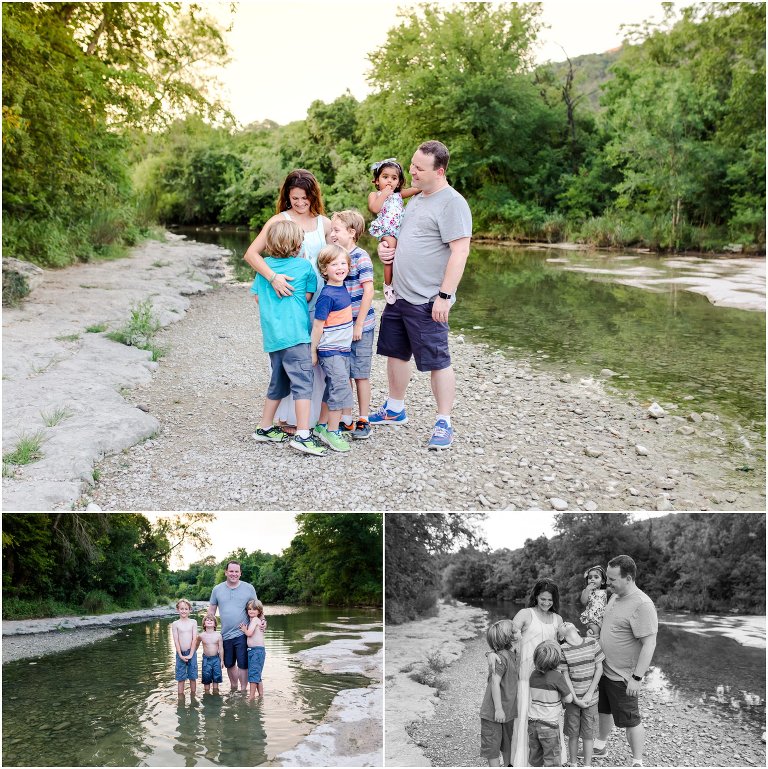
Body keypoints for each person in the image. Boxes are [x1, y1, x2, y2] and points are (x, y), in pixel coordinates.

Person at [371, 140, 472, 450]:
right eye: (412, 165)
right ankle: (395, 408)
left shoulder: (452, 203)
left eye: (418, 168)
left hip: (427, 299)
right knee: (396, 352)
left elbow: (460, 251)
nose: (410, 171)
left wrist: (445, 295)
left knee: (437, 360)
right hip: (399, 295)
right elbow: (406, 239)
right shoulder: (416, 200)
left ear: (439, 171)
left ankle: (444, 421)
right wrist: (387, 251)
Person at [243, 169, 331, 429]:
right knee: (293, 359)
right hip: (290, 301)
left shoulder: (323, 223)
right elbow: (251, 254)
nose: (301, 203)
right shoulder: (278, 221)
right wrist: (273, 278)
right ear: (287, 197)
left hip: (318, 299)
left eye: (305, 198)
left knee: (314, 360)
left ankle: (314, 418)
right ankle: (289, 419)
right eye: (295, 198)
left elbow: (340, 251)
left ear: (313, 196)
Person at [250, 219, 326, 456]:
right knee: (303, 383)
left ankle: (264, 427)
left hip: (274, 338)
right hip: (296, 336)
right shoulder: (304, 267)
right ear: (297, 244)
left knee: (279, 381)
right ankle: (303, 434)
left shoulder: (265, 270)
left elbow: (257, 298)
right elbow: (309, 296)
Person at [489, 579, 564, 767]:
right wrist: (490, 652)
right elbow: (504, 636)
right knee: (524, 715)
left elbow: (563, 646)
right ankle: (521, 759)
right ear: (536, 596)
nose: (546, 603)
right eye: (543, 598)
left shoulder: (558, 619)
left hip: (547, 678)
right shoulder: (525, 614)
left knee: (548, 715)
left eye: (550, 600)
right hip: (524, 676)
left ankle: (549, 755)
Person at [593, 555, 658, 768]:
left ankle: (637, 761)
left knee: (631, 719)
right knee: (604, 709)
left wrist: (637, 678)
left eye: (612, 579)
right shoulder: (615, 596)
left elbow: (649, 644)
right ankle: (601, 745)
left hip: (623, 675)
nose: (607, 583)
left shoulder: (642, 604)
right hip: (603, 668)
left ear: (628, 578)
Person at [329, 210, 375, 440]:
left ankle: (364, 418)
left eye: (336, 230)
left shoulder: (361, 257)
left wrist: (358, 325)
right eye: (331, 230)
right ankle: (346, 418)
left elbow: (368, 290)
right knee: (343, 371)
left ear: (352, 232)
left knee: (360, 373)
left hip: (361, 325)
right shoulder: (336, 257)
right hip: (341, 326)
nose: (332, 234)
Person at [310, 244, 354, 454]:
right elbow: (318, 325)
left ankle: (321, 425)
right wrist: (313, 350)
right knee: (340, 387)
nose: (340, 267)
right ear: (324, 269)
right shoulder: (327, 295)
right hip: (331, 350)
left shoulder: (341, 287)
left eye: (343, 263)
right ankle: (333, 431)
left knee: (332, 386)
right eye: (334, 264)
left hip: (342, 349)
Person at [366, 158, 420, 304]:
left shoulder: (399, 195)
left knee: (404, 254)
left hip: (401, 230)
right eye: (385, 177)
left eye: (394, 178)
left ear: (399, 182)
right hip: (387, 230)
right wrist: (384, 194)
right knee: (390, 252)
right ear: (377, 181)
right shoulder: (375, 195)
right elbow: (375, 208)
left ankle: (403, 283)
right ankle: (388, 285)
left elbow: (417, 189)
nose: (389, 181)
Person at [207, 561, 259, 694]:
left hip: (243, 633)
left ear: (240, 573)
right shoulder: (217, 589)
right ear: (226, 572)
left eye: (236, 571)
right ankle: (234, 687)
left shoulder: (249, 588)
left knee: (243, 664)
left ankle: (243, 691)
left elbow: (257, 608)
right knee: (229, 664)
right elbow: (211, 610)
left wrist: (263, 621)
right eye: (231, 571)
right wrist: (208, 631)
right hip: (225, 635)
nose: (234, 574)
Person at [556, 621, 604, 767]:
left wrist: (589, 694)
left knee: (588, 735)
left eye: (567, 622)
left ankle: (587, 765)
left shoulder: (592, 642)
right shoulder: (563, 649)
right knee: (573, 733)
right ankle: (573, 763)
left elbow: (599, 669)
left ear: (576, 628)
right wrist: (575, 699)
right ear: (560, 636)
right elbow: (565, 676)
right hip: (572, 700)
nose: (565, 623)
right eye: (562, 625)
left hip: (592, 699)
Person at [528, 641, 574, 767]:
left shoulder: (533, 675)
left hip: (532, 723)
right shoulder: (557, 677)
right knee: (552, 759)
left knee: (535, 756)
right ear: (557, 660)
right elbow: (569, 699)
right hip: (549, 725)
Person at [480, 619, 519, 767]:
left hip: (508, 710)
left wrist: (489, 652)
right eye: (516, 630)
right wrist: (498, 709)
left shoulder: (513, 653)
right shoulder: (501, 658)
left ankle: (509, 765)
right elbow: (495, 682)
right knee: (492, 745)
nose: (520, 631)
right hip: (493, 712)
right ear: (511, 637)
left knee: (507, 742)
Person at [239, 599, 267, 700]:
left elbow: (249, 633)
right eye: (249, 609)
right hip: (254, 651)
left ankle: (251, 698)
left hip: (256, 651)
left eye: (254, 609)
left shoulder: (255, 620)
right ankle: (261, 696)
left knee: (253, 675)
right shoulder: (254, 620)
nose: (251, 611)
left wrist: (244, 629)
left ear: (259, 611)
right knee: (257, 675)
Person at [172, 598, 198, 696]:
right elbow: (176, 641)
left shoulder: (193, 622)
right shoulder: (175, 624)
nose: (184, 611)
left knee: (192, 676)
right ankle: (181, 698)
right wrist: (180, 655)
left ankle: (193, 696)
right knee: (180, 677)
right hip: (180, 653)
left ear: (190, 610)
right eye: (181, 609)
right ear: (177, 610)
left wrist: (191, 654)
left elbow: (194, 638)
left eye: (186, 609)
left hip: (191, 652)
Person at [197, 614, 224, 694]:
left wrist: (222, 660)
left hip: (216, 659)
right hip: (206, 659)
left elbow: (221, 648)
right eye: (207, 620)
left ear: (215, 624)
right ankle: (207, 693)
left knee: (216, 677)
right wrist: (192, 654)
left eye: (211, 620)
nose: (209, 621)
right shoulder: (201, 635)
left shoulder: (218, 635)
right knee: (206, 678)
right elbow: (196, 645)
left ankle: (216, 693)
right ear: (204, 624)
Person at [579, 565, 609, 637]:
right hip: (592, 618)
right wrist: (587, 589)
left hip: (603, 617)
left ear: (602, 581)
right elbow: (583, 601)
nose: (592, 579)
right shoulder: (586, 591)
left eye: (596, 577)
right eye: (590, 578)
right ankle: (594, 645)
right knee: (595, 634)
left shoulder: (605, 591)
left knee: (603, 636)